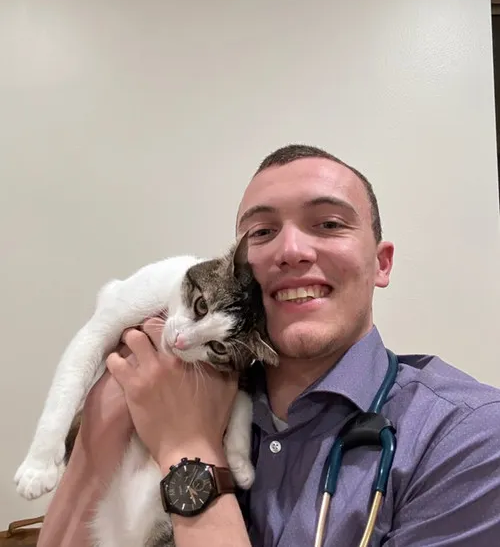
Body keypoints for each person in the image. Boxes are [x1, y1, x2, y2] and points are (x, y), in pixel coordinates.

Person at [36, 143, 500, 546]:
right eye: (261, 232)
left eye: (329, 224)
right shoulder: (165, 375)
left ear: (381, 263)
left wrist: (186, 448)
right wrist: (104, 426)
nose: (291, 250)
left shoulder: (466, 437)